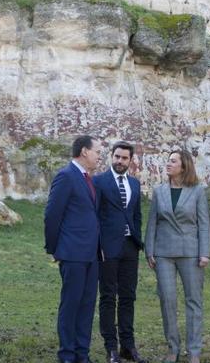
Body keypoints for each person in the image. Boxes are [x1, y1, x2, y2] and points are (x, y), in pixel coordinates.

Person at [144, 150, 210, 363]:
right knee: (168, 300)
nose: (168, 164)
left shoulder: (198, 191)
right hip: (163, 253)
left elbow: (203, 224)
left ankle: (194, 351)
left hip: (191, 253)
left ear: (184, 166)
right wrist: (149, 250)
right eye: (168, 161)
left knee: (194, 301)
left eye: (173, 161)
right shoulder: (159, 191)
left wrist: (205, 253)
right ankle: (173, 348)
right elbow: (153, 221)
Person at [44, 135, 104, 363]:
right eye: (97, 151)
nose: (99, 156)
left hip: (91, 254)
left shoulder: (89, 179)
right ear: (84, 151)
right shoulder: (66, 176)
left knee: (87, 306)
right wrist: (54, 249)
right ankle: (67, 355)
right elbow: (52, 215)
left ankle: (82, 353)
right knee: (71, 304)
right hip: (72, 254)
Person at [93, 141, 146, 363]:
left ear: (130, 160)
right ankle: (111, 349)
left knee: (128, 297)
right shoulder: (99, 182)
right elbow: (94, 216)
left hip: (129, 247)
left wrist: (137, 240)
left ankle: (128, 346)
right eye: (117, 156)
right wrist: (98, 246)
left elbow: (136, 214)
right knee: (107, 297)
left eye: (124, 158)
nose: (120, 161)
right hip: (107, 248)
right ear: (111, 156)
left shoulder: (134, 183)